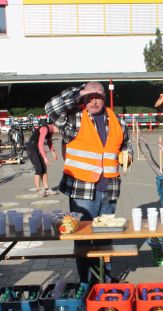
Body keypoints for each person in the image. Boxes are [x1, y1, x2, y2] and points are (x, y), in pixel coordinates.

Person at [45, 81, 133, 282]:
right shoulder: (74, 117)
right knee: (83, 239)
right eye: (89, 97)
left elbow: (126, 143)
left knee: (105, 239)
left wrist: (128, 154)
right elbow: (50, 108)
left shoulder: (117, 120)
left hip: (109, 190)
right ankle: (86, 283)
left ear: (104, 97)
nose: (94, 101)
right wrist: (79, 91)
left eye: (98, 96)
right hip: (82, 191)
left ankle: (104, 282)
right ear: (84, 98)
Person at [26, 117, 58, 197]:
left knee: (44, 168)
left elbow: (49, 142)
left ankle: (47, 189)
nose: (60, 130)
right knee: (39, 168)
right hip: (32, 147)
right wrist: (45, 158)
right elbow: (40, 144)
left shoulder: (50, 131)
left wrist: (53, 152)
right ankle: (38, 190)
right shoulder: (44, 128)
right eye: (59, 127)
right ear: (53, 125)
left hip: (37, 147)